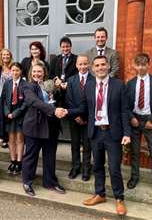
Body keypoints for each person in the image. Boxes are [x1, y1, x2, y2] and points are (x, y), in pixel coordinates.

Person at [56, 55, 130, 216]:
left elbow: (125, 110)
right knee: (97, 166)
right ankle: (100, 194)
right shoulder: (89, 86)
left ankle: (119, 198)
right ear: (93, 68)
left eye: (103, 64)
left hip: (113, 133)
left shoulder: (119, 85)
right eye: (97, 65)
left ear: (108, 66)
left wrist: (127, 133)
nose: (100, 68)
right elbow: (83, 107)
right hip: (95, 132)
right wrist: (68, 111)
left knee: (114, 168)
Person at [126, 53, 152, 196]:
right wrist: (131, 118)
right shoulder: (130, 83)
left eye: (144, 64)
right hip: (135, 121)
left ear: (148, 65)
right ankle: (134, 177)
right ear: (134, 65)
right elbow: (125, 105)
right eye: (138, 64)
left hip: (150, 120)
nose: (141, 67)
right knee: (135, 151)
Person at [21, 61, 65, 196]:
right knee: (31, 156)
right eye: (34, 71)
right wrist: (53, 110)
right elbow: (33, 101)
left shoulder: (49, 84)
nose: (37, 74)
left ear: (44, 72)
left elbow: (57, 100)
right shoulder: (28, 86)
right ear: (30, 73)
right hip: (34, 126)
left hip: (51, 125)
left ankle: (50, 182)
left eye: (39, 71)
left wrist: (60, 89)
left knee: (50, 156)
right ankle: (27, 182)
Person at [65, 55, 92, 181]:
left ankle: (86, 168)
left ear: (89, 64)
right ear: (76, 65)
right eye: (80, 64)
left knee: (87, 145)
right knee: (74, 144)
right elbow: (68, 100)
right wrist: (76, 115)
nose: (82, 66)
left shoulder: (94, 79)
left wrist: (84, 117)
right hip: (74, 119)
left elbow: (92, 102)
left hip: (88, 119)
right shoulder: (71, 80)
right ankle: (75, 167)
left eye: (85, 64)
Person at [2, 62, 27, 175]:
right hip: (9, 116)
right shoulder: (7, 83)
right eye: (13, 70)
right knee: (11, 139)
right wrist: (7, 112)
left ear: (20, 71)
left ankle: (19, 162)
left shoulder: (25, 84)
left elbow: (26, 102)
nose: (15, 72)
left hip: (20, 115)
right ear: (10, 71)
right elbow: (3, 100)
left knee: (20, 139)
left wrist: (16, 113)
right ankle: (13, 161)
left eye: (17, 70)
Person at [49, 36, 78, 106]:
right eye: (63, 47)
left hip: (71, 90)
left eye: (67, 46)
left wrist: (68, 83)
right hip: (57, 90)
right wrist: (56, 80)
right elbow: (51, 74)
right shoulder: (55, 59)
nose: (65, 49)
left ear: (71, 47)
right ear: (60, 47)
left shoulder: (76, 58)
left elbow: (78, 74)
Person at [0, 48, 14, 149]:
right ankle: (1, 137)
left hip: (10, 96)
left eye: (7, 55)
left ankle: (7, 138)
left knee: (8, 117)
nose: (5, 57)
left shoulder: (13, 68)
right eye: (4, 55)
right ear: (1, 56)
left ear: (10, 56)